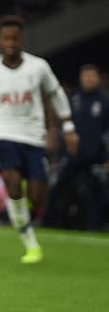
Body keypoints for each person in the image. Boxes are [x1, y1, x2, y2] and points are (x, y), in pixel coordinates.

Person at [0, 14, 76, 263]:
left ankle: (18, 215)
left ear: (21, 38)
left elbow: (56, 95)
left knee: (37, 197)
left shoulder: (38, 67)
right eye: (6, 37)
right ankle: (30, 243)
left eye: (15, 37)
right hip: (5, 135)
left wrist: (69, 127)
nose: (11, 42)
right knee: (13, 185)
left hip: (34, 137)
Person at [44, 64, 109, 231]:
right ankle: (48, 222)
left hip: (96, 156)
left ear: (98, 79)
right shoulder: (74, 99)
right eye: (85, 76)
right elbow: (65, 127)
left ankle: (95, 227)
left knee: (95, 195)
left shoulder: (105, 101)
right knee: (58, 187)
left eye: (91, 76)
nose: (88, 79)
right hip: (73, 155)